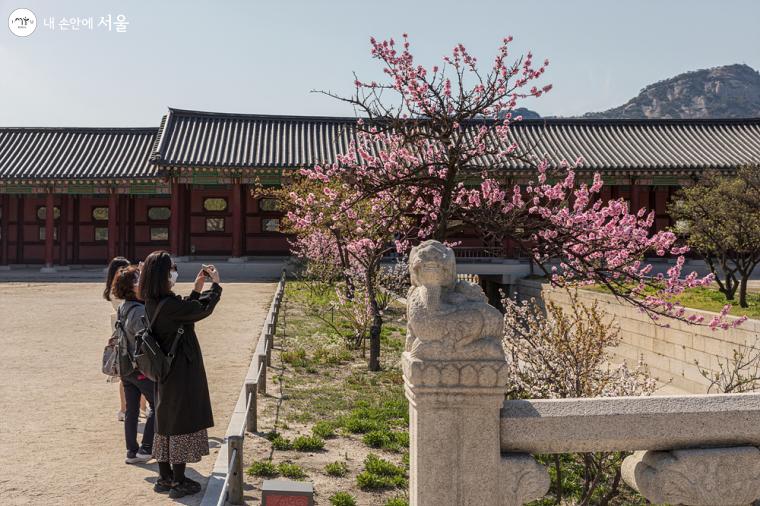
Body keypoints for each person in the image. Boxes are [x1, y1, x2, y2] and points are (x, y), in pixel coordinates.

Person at [138, 251, 222, 498]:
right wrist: (215, 286)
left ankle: (164, 478)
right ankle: (178, 480)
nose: (174, 273)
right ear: (163, 275)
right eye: (171, 270)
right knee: (180, 421)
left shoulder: (155, 302)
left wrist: (197, 289)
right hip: (180, 371)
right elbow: (200, 310)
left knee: (165, 421)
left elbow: (186, 311)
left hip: (164, 371)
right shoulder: (170, 305)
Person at [111, 265, 156, 464]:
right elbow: (145, 341)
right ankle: (146, 447)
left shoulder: (123, 306)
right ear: (131, 287)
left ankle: (131, 450)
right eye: (138, 279)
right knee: (157, 404)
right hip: (139, 368)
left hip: (125, 366)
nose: (142, 282)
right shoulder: (138, 311)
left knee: (131, 409)